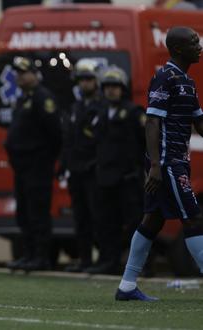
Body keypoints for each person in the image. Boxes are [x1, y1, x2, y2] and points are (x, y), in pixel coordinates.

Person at [116, 26, 203, 301]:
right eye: (193, 42)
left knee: (153, 221)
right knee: (193, 218)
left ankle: (127, 286)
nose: (199, 46)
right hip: (168, 162)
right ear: (178, 49)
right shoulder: (164, 76)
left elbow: (199, 124)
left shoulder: (188, 82)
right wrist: (155, 164)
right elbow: (152, 120)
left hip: (177, 160)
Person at [4, 56, 62, 271]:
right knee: (25, 212)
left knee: (38, 212)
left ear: (33, 74)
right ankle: (28, 255)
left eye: (23, 72)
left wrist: (45, 159)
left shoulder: (42, 98)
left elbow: (55, 133)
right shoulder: (23, 98)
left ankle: (41, 257)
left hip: (38, 165)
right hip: (22, 167)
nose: (19, 77)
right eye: (17, 73)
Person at [88, 66, 145, 275]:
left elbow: (146, 144)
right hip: (104, 179)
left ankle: (140, 266)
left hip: (127, 179)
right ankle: (108, 261)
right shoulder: (100, 113)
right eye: (107, 87)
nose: (111, 91)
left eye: (115, 86)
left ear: (123, 89)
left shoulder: (133, 113)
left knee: (134, 224)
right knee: (106, 223)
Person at [61, 59, 106, 273]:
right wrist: (65, 165)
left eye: (88, 79)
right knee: (81, 217)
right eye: (81, 80)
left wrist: (96, 165)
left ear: (97, 80)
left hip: (95, 171)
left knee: (100, 217)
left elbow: (105, 142)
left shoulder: (104, 107)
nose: (84, 84)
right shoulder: (75, 108)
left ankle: (104, 260)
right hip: (77, 171)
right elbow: (68, 140)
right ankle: (85, 259)